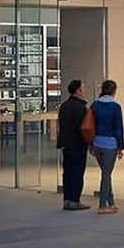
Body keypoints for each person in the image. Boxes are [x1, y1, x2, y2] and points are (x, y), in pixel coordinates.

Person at [54, 79, 92, 211]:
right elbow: (83, 128)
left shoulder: (64, 106)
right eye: (83, 88)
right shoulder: (81, 107)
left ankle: (67, 199)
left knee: (68, 173)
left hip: (66, 144)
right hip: (78, 145)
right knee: (77, 173)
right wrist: (88, 142)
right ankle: (75, 200)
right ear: (78, 90)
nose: (84, 91)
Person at [90, 79, 124, 214]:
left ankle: (111, 203)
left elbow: (90, 126)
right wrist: (120, 147)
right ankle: (102, 205)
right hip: (110, 145)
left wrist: (91, 144)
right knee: (106, 175)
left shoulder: (95, 105)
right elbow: (118, 129)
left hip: (97, 143)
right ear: (114, 91)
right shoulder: (116, 107)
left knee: (106, 174)